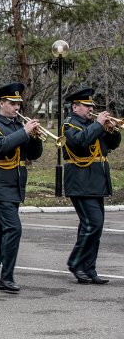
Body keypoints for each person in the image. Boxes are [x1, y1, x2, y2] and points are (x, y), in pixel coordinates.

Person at [0, 82, 43, 293]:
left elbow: (33, 155)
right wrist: (24, 132)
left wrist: (34, 137)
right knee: (13, 228)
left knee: (1, 230)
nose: (17, 107)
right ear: (1, 104)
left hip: (15, 182)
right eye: (13, 103)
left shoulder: (18, 125)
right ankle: (6, 277)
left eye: (18, 104)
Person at [61, 88, 120, 284]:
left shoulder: (91, 124)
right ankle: (76, 262)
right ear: (75, 106)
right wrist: (98, 124)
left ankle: (89, 269)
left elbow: (111, 145)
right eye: (87, 106)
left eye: (92, 106)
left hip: (96, 181)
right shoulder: (69, 124)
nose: (91, 108)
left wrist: (112, 129)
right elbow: (80, 142)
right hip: (80, 181)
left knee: (94, 226)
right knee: (92, 224)